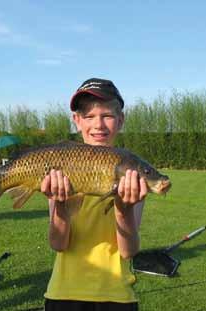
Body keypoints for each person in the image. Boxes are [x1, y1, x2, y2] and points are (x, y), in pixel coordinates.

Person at [41, 78, 148, 311]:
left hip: (116, 296)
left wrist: (124, 209)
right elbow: (58, 243)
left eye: (107, 115)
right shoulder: (63, 168)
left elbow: (128, 251)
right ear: (77, 121)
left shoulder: (131, 173)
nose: (98, 124)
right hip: (63, 293)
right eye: (89, 117)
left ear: (120, 121)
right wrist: (60, 205)